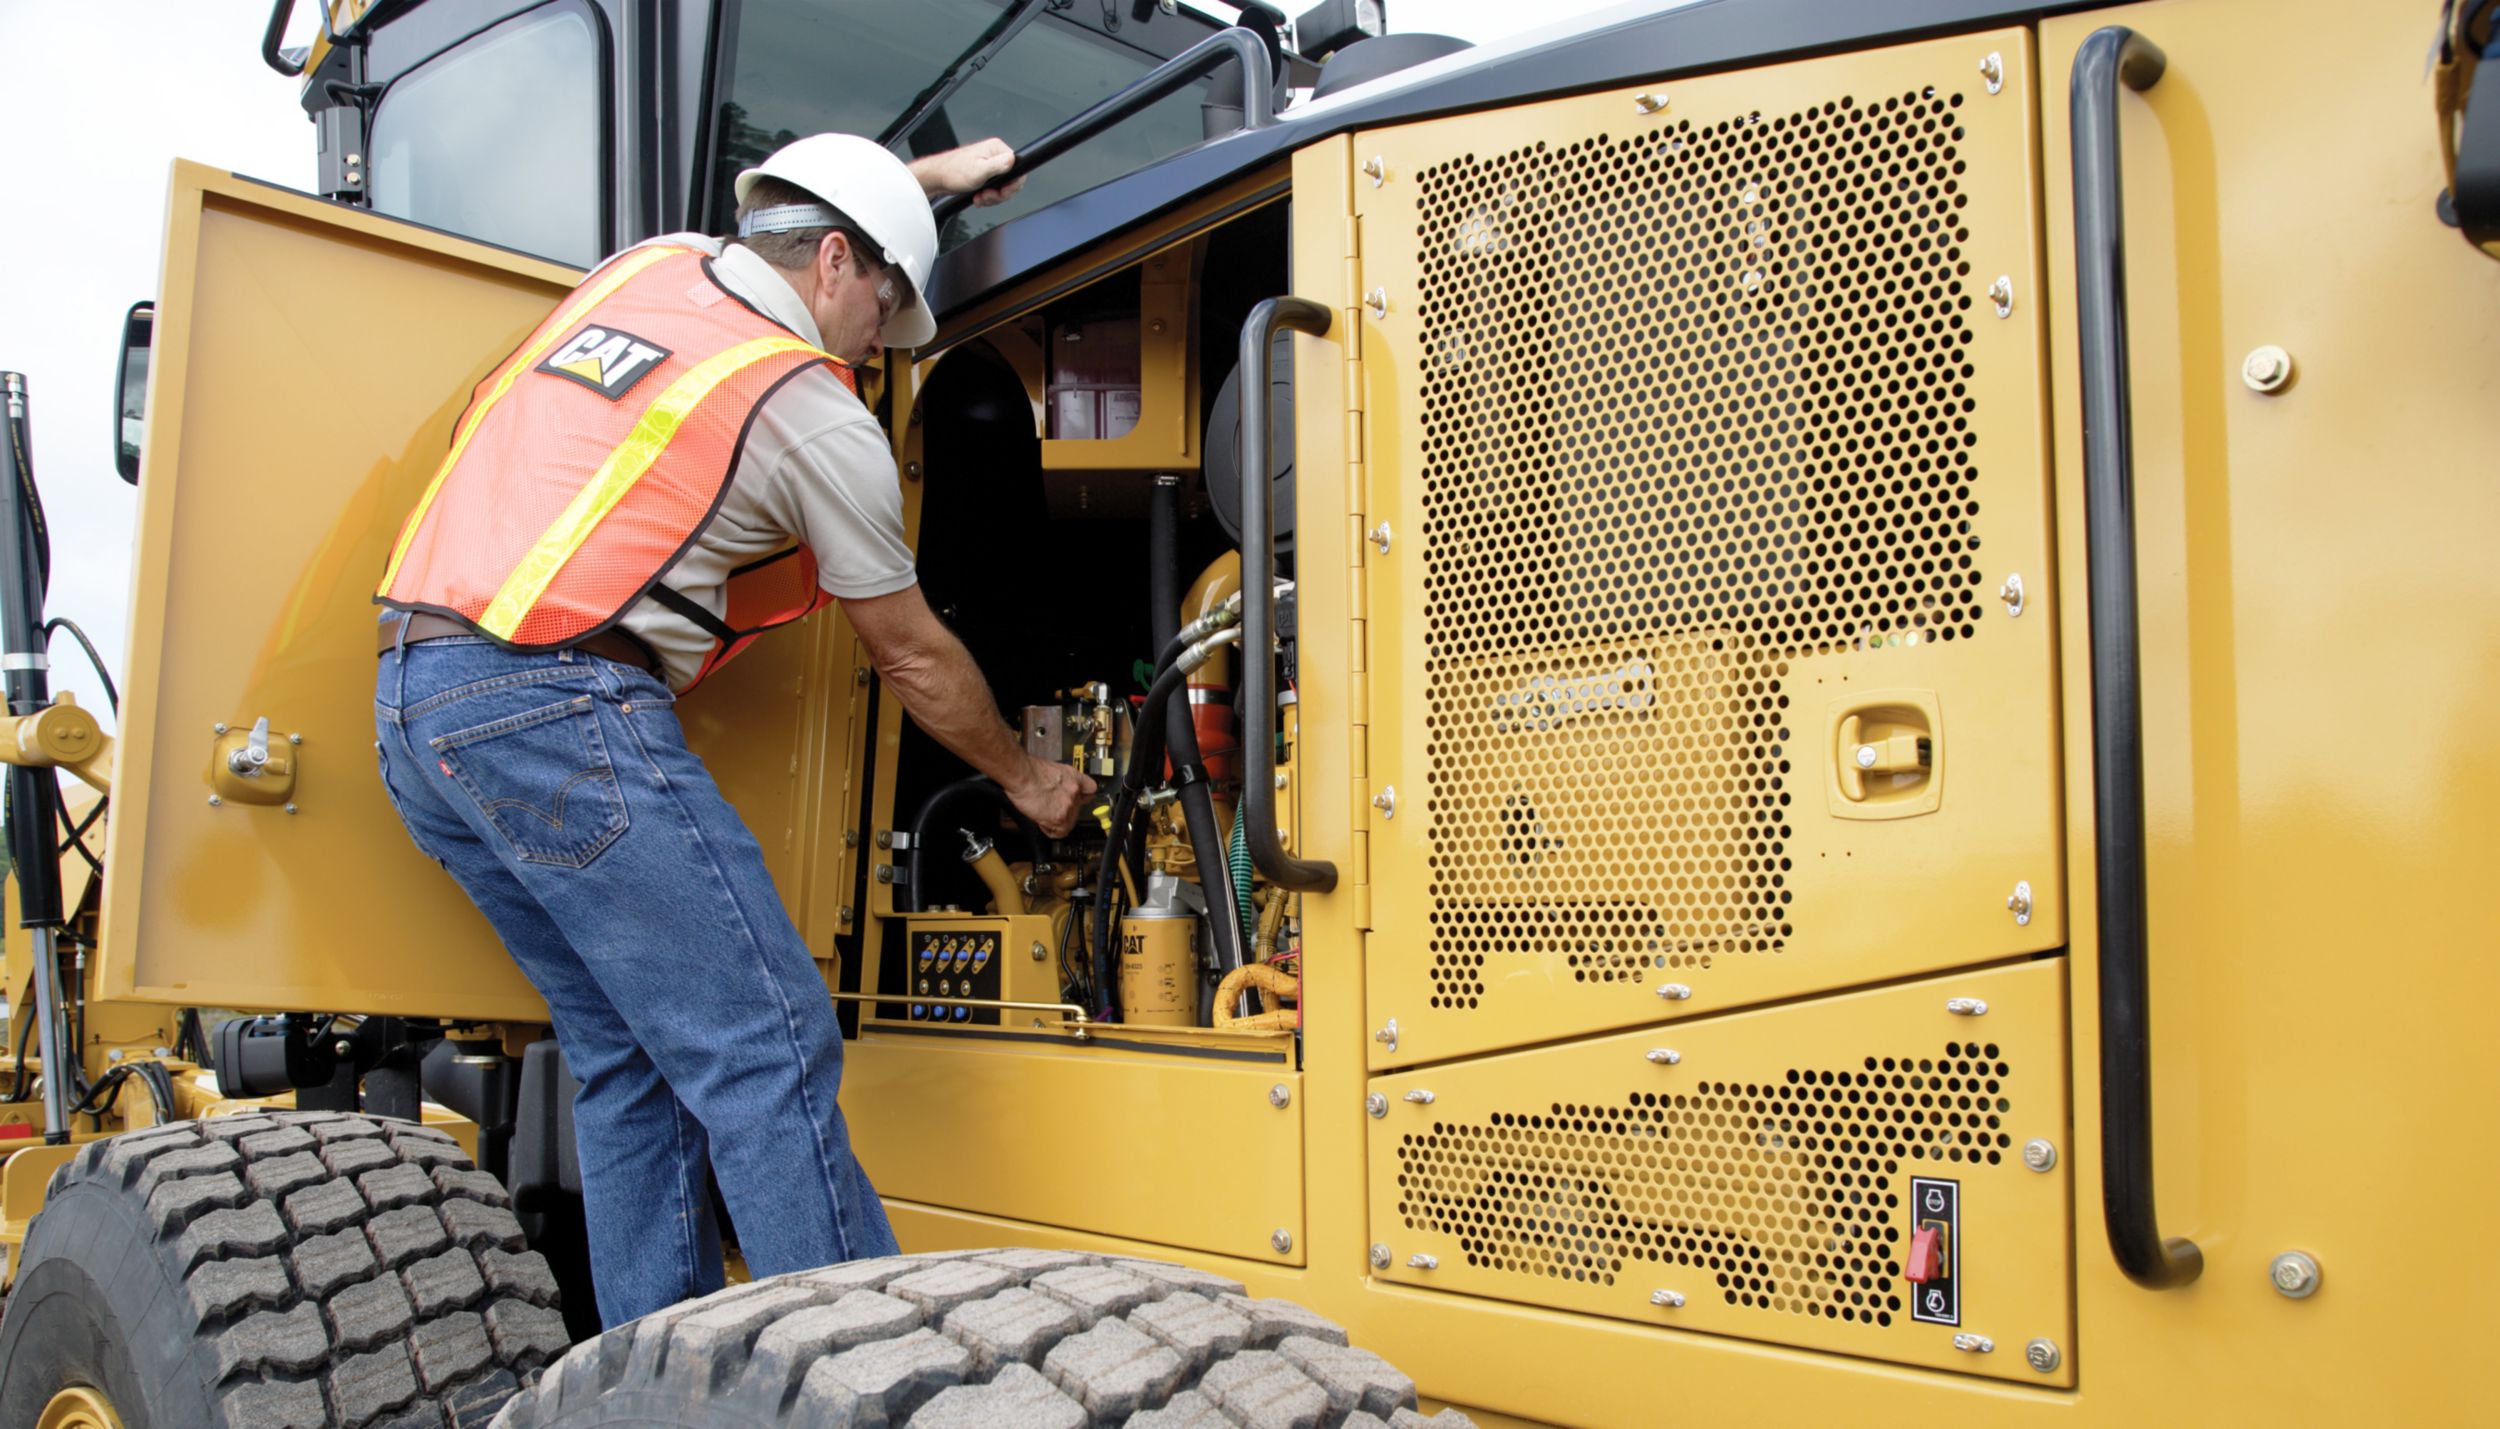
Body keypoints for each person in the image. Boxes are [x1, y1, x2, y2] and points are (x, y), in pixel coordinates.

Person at [370, 133, 1093, 1329]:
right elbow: (910, 652)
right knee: (766, 1038)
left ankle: (665, 1378)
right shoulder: (808, 408)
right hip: (556, 708)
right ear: (832, 263)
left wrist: (929, 179)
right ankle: (862, 1381)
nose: (880, 336)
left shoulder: (646, 272)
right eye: (885, 301)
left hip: (418, 707)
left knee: (631, 1053)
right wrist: (1025, 778)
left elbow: (786, 216)